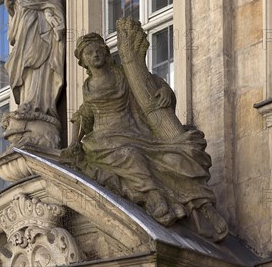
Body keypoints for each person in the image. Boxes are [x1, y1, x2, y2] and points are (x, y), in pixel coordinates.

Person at [64, 33, 228, 241]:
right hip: (102, 141)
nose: (94, 54)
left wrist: (166, 91)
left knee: (177, 157)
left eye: (98, 49)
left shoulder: (123, 74)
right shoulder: (87, 88)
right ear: (83, 61)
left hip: (134, 131)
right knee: (130, 155)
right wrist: (73, 144)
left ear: (106, 52)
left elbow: (150, 83)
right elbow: (83, 115)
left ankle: (203, 208)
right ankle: (154, 196)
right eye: (88, 52)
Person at [4, 0, 65, 122]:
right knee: (25, 67)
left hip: (41, 32)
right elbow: (18, 18)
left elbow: (51, 2)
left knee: (37, 65)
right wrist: (10, 5)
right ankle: (26, 102)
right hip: (25, 32)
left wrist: (45, 11)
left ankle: (38, 103)